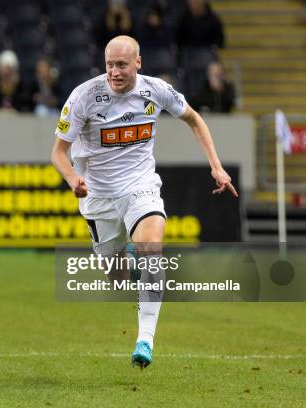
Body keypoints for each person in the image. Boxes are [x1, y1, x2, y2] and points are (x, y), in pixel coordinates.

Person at [50, 35, 237, 369]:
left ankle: (145, 340)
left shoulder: (155, 90)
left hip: (140, 185)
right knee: (118, 277)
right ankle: (128, 254)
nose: (114, 72)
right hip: (98, 196)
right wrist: (73, 179)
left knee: (152, 247)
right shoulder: (84, 96)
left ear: (138, 63)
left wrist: (217, 166)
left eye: (122, 65)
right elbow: (58, 153)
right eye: (109, 64)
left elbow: (194, 118)